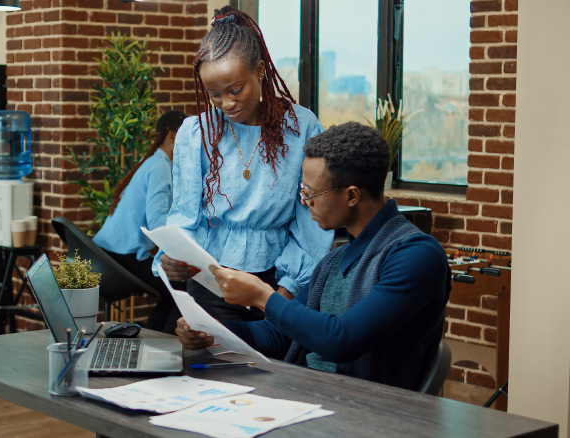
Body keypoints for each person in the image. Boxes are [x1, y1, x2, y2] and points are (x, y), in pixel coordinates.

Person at [176, 122, 452, 391]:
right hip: (309, 395)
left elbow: (342, 340)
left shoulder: (416, 255)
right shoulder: (334, 261)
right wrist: (214, 333)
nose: (305, 202)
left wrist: (263, 296)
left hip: (370, 413)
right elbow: (278, 334)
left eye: (311, 193)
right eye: (302, 191)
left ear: (352, 195)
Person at [156, 6, 333, 322]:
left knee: (274, 369)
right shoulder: (196, 133)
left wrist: (283, 296)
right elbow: (185, 216)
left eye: (236, 89)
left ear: (261, 71)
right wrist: (173, 259)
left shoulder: (300, 128)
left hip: (279, 284)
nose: (227, 103)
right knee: (214, 366)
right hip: (212, 282)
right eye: (213, 95)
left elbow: (310, 224)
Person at [93, 110, 187, 333]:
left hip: (105, 254)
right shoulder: (161, 167)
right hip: (121, 258)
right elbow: (157, 224)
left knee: (173, 290)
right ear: (173, 137)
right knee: (184, 287)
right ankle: (165, 343)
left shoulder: (154, 162)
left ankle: (157, 338)